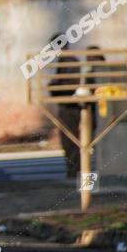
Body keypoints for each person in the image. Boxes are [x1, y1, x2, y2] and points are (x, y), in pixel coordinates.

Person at [49, 33, 81, 178]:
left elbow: (69, 86)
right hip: (66, 106)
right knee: (67, 141)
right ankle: (72, 170)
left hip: (71, 107)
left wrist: (54, 87)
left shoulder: (69, 61)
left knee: (71, 141)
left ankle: (75, 171)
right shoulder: (64, 61)